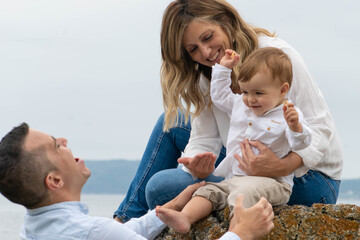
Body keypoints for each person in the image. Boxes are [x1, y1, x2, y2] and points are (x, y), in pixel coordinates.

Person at [114, 0, 343, 222]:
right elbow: (204, 139)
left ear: (225, 20)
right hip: (245, 167)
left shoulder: (277, 56)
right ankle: (124, 222)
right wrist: (198, 168)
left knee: (158, 189)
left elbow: (321, 131)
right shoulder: (208, 72)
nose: (206, 52)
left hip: (306, 179)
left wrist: (283, 165)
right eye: (193, 49)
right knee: (169, 133)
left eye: (208, 37)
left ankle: (128, 221)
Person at [0, 123, 274, 240]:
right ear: (55, 180)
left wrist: (161, 212)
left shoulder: (33, 228)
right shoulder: (91, 232)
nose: (64, 141)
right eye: (55, 146)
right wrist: (241, 233)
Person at [154, 47, 311, 234]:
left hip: (274, 183)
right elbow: (219, 96)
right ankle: (185, 217)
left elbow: (301, 144)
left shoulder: (288, 114)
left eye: (258, 93)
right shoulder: (240, 104)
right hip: (235, 178)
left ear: (282, 90)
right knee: (208, 191)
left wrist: (296, 128)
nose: (250, 99)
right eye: (245, 91)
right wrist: (223, 69)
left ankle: (236, 232)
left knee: (243, 193)